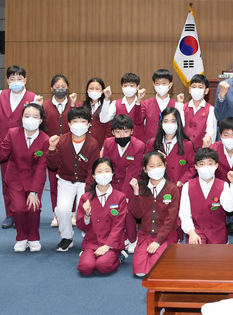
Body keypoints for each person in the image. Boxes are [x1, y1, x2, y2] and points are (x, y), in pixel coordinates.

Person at [0, 65, 39, 228]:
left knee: (27, 179)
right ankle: (10, 214)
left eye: (19, 78)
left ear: (25, 80)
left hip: (26, 146)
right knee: (7, 180)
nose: (16, 81)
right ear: (7, 81)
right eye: (12, 79)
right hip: (4, 146)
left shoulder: (33, 98)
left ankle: (25, 212)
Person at [0, 103, 50, 252]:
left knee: (33, 208)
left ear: (41, 120)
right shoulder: (12, 133)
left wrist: (35, 192)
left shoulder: (45, 140)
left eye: (35, 117)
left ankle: (33, 237)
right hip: (15, 179)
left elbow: (41, 168)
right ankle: (21, 237)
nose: (30, 119)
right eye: (27, 116)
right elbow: (0, 156)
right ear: (21, 118)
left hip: (34, 180)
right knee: (18, 209)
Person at [46, 107, 101, 252]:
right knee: (62, 210)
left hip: (85, 182)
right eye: (75, 121)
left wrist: (88, 193)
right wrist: (51, 149)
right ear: (69, 124)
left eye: (83, 121)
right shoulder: (62, 141)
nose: (79, 124)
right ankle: (66, 237)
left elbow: (92, 171)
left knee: (85, 209)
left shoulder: (93, 144)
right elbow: (52, 166)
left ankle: (88, 237)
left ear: (89, 124)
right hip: (65, 180)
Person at [129, 151, 181, 278]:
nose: (156, 169)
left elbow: (171, 219)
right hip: (146, 234)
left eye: (159, 165)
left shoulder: (172, 189)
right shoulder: (141, 187)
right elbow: (137, 215)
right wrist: (136, 193)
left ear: (165, 166)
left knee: (156, 269)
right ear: (145, 169)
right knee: (139, 271)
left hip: (165, 235)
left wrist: (158, 241)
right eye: (151, 166)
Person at [100, 114, 146, 253]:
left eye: (125, 131)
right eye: (118, 131)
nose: (122, 135)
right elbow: (106, 166)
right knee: (111, 208)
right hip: (113, 181)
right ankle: (119, 237)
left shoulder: (138, 146)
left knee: (127, 208)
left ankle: (132, 239)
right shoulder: (108, 143)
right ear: (113, 132)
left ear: (131, 131)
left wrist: (123, 196)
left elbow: (133, 172)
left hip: (131, 183)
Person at [76, 157, 128, 276]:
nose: (103, 174)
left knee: (103, 266)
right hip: (91, 242)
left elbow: (119, 226)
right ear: (94, 176)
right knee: (85, 268)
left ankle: (119, 256)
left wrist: (107, 246)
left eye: (107, 171)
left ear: (112, 174)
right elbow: (81, 226)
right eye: (99, 171)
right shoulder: (86, 198)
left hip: (112, 243)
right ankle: (87, 255)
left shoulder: (120, 197)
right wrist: (87, 215)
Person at [179, 148, 233, 244]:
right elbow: (184, 214)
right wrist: (191, 232)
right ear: (196, 166)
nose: (206, 167)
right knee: (197, 250)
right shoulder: (188, 186)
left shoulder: (224, 185)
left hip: (217, 233)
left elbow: (229, 209)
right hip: (196, 231)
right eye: (202, 164)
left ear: (216, 165)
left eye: (210, 163)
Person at [42, 74, 76, 227]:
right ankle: (57, 214)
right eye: (57, 87)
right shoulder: (44, 106)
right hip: (53, 150)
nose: (60, 90)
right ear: (51, 88)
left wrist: (74, 107)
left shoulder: (74, 104)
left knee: (72, 182)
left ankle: (72, 213)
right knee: (54, 183)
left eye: (63, 87)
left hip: (71, 150)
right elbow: (41, 128)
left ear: (67, 88)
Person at [151, 107, 196, 190]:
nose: (169, 124)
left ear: (178, 123)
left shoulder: (187, 144)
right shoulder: (152, 143)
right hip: (157, 188)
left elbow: (193, 166)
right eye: (166, 121)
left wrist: (182, 180)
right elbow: (145, 164)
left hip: (178, 187)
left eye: (173, 121)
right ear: (161, 123)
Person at [99, 72, 146, 141]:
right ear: (121, 87)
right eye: (125, 86)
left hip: (138, 142)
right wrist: (106, 99)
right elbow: (103, 119)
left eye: (131, 86)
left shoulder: (144, 104)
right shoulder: (115, 103)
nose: (128, 88)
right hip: (120, 142)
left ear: (138, 87)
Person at [177, 74, 217, 148]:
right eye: (194, 87)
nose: (196, 89)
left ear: (206, 91)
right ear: (190, 90)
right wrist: (179, 105)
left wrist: (205, 150)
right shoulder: (183, 107)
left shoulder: (211, 109)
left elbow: (211, 133)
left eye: (200, 87)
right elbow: (178, 127)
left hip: (201, 150)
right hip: (184, 149)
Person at [141, 69, 178, 143]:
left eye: (164, 83)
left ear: (170, 85)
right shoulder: (145, 104)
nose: (161, 86)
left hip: (170, 143)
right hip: (150, 144)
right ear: (153, 84)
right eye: (157, 83)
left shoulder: (177, 105)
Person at [81, 77, 111, 144]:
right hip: (83, 144)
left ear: (102, 91)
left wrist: (104, 146)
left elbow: (109, 130)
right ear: (87, 91)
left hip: (100, 144)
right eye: (91, 88)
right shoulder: (81, 105)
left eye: (97, 89)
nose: (94, 91)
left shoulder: (107, 106)